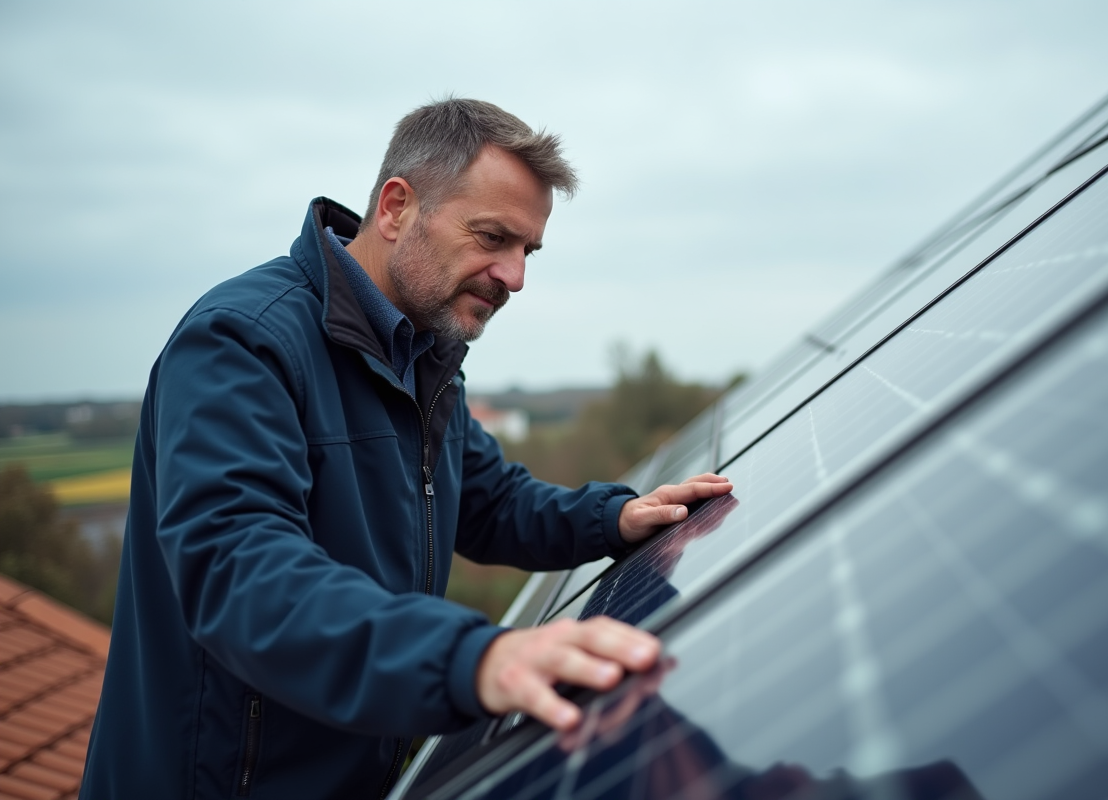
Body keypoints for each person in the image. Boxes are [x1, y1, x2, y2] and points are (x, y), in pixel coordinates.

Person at [79, 98, 732, 799]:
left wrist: (613, 519)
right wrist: (471, 659)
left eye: (527, 251)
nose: (514, 278)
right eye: (492, 238)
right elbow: (242, 576)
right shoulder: (241, 344)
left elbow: (490, 499)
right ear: (395, 208)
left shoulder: (425, 351)